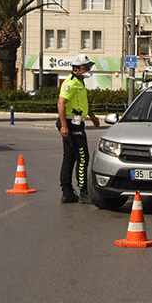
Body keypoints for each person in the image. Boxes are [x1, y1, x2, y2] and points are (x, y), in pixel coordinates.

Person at [56, 54, 100, 204]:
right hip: (70, 123)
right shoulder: (71, 83)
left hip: (77, 122)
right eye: (85, 67)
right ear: (76, 69)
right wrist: (64, 125)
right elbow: (61, 103)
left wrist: (92, 117)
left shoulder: (80, 83)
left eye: (89, 67)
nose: (88, 70)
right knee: (83, 157)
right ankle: (83, 192)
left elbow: (82, 104)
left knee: (70, 157)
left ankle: (67, 192)